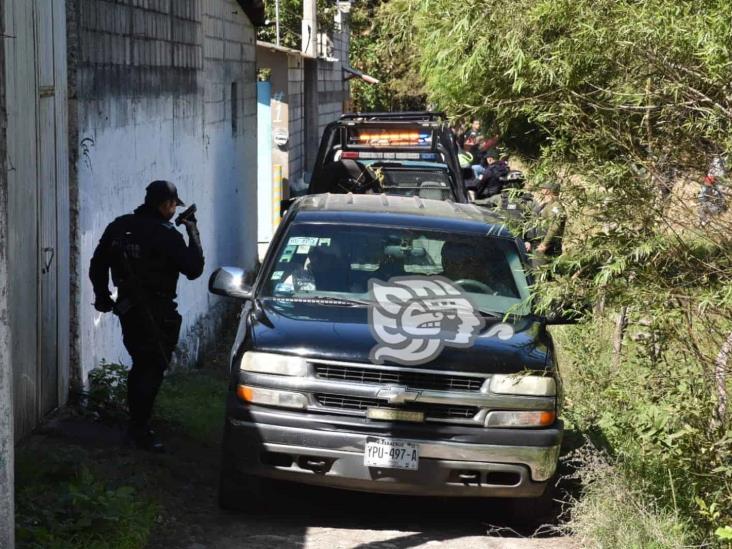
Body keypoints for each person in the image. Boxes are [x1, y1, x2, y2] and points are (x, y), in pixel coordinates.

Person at [89, 180, 204, 451]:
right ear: (165, 205)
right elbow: (194, 269)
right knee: (150, 368)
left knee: (141, 364)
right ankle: (139, 430)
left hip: (130, 309)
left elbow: (97, 264)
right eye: (174, 205)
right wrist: (192, 230)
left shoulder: (119, 226)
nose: (175, 210)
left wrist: (103, 296)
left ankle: (137, 424)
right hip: (158, 312)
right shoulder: (167, 234)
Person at [526, 181, 566, 267]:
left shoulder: (555, 206)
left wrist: (545, 243)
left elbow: (555, 227)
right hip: (537, 244)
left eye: (544, 188)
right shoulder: (546, 204)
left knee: (539, 274)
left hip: (546, 248)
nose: (541, 190)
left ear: (549, 190)